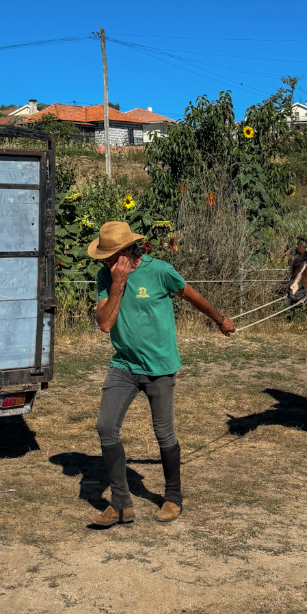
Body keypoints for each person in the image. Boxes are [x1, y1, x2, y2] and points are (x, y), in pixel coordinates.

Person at [90, 220, 235, 527]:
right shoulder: (106, 276)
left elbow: (192, 297)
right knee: (106, 427)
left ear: (130, 251)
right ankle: (121, 504)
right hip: (124, 366)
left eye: (112, 256)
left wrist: (220, 320)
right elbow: (105, 323)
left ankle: (173, 497)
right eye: (104, 258)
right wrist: (117, 283)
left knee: (164, 432)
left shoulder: (160, 271)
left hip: (159, 367)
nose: (106, 262)